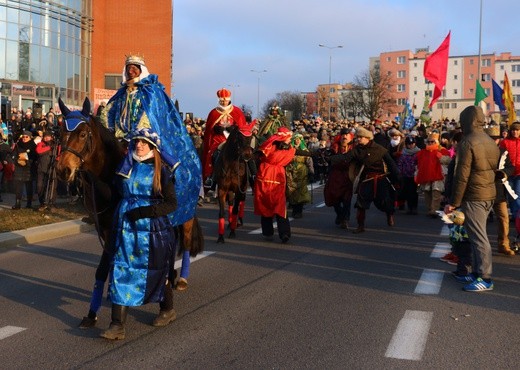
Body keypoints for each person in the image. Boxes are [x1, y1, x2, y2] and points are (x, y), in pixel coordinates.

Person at [101, 129, 178, 340]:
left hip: (153, 231)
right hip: (124, 228)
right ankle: (117, 325)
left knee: (158, 272)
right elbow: (115, 194)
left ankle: (167, 309)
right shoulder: (126, 166)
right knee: (120, 270)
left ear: (153, 147)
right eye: (137, 142)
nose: (139, 146)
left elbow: (171, 203)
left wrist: (144, 212)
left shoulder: (161, 170)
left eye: (144, 143)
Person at [444, 105, 500, 292]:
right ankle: (477, 273)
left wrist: (453, 202)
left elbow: (462, 176)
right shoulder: (490, 141)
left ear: (466, 121)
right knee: (478, 236)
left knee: (478, 238)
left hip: (474, 195)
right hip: (487, 194)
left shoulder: (467, 142)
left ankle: (485, 277)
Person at [331, 127, 399, 234]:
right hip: (366, 180)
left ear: (368, 138)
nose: (358, 139)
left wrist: (397, 178)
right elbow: (345, 157)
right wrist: (330, 159)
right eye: (357, 137)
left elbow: (391, 164)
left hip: (380, 179)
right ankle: (360, 226)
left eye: (360, 137)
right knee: (361, 204)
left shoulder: (380, 149)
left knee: (384, 203)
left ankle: (389, 215)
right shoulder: (358, 150)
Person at [254, 127, 309, 243]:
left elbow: (299, 152)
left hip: (266, 176)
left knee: (268, 204)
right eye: (289, 138)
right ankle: (283, 233)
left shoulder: (270, 146)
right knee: (277, 205)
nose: (290, 140)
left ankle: (270, 232)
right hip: (272, 176)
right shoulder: (276, 148)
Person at [202, 88, 246, 190]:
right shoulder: (213, 113)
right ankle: (211, 176)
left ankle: (250, 176)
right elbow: (209, 130)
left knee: (244, 154)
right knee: (212, 154)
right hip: (219, 139)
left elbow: (242, 127)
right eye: (222, 100)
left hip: (233, 139)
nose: (224, 102)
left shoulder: (237, 111)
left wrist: (234, 128)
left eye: (225, 100)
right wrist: (216, 129)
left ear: (229, 100)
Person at [485, 125, 516, 256]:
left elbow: (511, 167)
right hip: (484, 189)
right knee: (481, 220)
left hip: (499, 190)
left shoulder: (504, 152)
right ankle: (481, 246)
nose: (494, 141)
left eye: (496, 139)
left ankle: (503, 244)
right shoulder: (480, 151)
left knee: (503, 217)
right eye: (491, 138)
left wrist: (503, 173)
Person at [324, 128, 355, 229]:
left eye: (347, 135)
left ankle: (345, 219)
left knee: (347, 199)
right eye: (343, 135)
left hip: (348, 176)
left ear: (350, 137)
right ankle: (340, 214)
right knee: (334, 197)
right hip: (335, 175)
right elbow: (328, 160)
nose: (344, 137)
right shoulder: (334, 148)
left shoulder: (353, 149)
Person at [415, 133, 451, 218]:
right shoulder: (424, 151)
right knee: (427, 192)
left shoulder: (443, 150)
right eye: (429, 142)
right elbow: (419, 162)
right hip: (427, 175)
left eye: (432, 141)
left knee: (436, 192)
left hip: (438, 175)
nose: (430, 143)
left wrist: (441, 157)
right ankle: (430, 209)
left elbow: (448, 160)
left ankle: (434, 210)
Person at [286, 133, 314, 218]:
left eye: (299, 139)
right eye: (295, 139)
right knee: (291, 191)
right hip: (290, 173)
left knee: (301, 192)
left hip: (302, 173)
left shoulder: (305, 150)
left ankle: (299, 210)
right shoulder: (289, 150)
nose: (297, 140)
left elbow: (309, 162)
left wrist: (311, 173)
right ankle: (294, 209)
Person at [10, 130, 37, 210]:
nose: (24, 138)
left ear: (30, 137)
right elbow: (13, 154)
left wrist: (26, 158)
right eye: (23, 137)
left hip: (29, 168)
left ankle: (29, 203)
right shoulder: (18, 145)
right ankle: (17, 203)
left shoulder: (33, 145)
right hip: (19, 168)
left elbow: (35, 157)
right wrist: (17, 159)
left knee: (29, 187)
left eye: (26, 137)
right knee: (18, 186)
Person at [35, 130, 59, 211]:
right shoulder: (40, 144)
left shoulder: (56, 145)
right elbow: (39, 151)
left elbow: (59, 155)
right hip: (41, 169)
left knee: (52, 187)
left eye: (48, 136)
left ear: (51, 137)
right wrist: (49, 148)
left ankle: (51, 204)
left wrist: (56, 160)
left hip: (52, 169)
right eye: (45, 136)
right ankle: (42, 203)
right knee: (39, 186)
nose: (47, 138)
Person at [397, 135, 420, 215]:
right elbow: (400, 164)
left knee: (414, 192)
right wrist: (399, 173)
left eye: (412, 143)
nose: (411, 145)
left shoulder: (418, 153)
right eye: (409, 144)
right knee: (407, 191)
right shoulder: (403, 153)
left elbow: (421, 164)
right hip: (405, 176)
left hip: (415, 176)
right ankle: (409, 207)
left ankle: (414, 207)